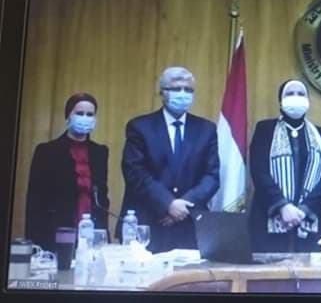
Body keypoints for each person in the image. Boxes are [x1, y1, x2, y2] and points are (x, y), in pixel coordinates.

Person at [116, 67, 219, 253]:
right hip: (148, 224)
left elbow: (211, 176)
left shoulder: (206, 129)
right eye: (177, 89)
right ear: (162, 93)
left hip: (190, 227)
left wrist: (182, 206)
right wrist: (168, 204)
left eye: (188, 90)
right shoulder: (140, 127)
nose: (183, 94)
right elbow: (135, 172)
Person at [249, 80, 321, 253]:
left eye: (301, 94)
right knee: (269, 268)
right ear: (280, 101)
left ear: (308, 101)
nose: (296, 97)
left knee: (307, 267)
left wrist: (303, 210)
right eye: (290, 94)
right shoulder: (265, 129)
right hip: (269, 216)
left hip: (309, 218)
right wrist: (283, 206)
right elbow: (259, 172)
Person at [25, 93, 109, 251]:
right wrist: (34, 242)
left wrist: (104, 234)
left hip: (91, 229)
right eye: (79, 113)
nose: (85, 118)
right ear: (68, 116)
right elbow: (35, 201)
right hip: (56, 230)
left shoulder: (100, 152)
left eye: (90, 114)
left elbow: (102, 196)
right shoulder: (47, 151)